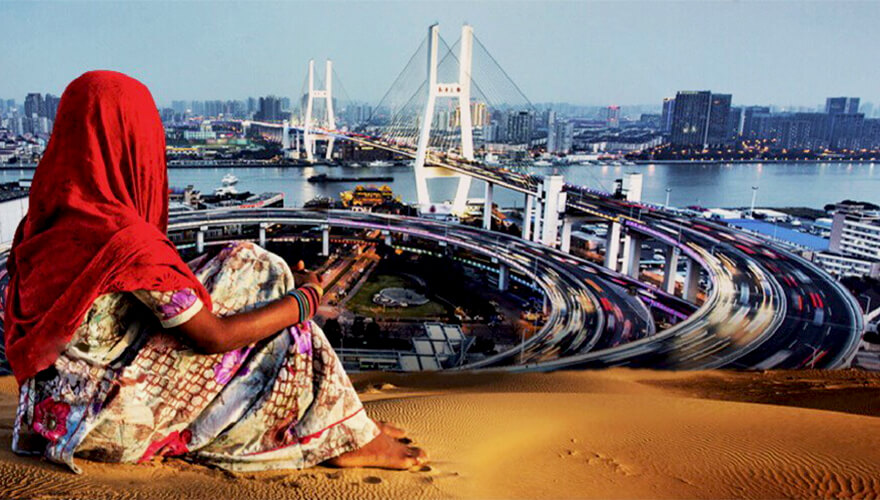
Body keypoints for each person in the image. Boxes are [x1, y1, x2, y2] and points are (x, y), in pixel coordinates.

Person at [2, 71, 427, 474]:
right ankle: (340, 436)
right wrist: (303, 301)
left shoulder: (40, 228)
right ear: (134, 141)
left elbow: (141, 299)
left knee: (242, 272)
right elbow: (214, 338)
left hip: (49, 418)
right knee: (279, 314)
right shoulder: (124, 241)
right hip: (111, 427)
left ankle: (343, 425)